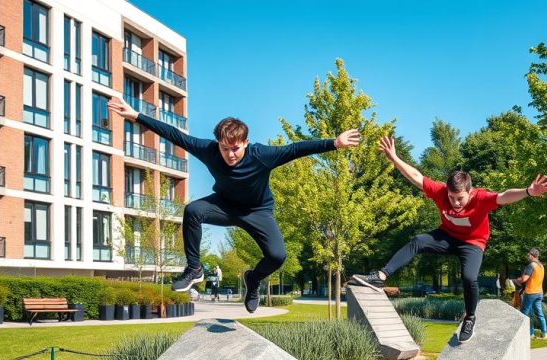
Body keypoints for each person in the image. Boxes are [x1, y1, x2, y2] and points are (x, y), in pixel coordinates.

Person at [106, 97, 361, 313]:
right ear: (218, 143)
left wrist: (334, 143)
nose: (230, 155)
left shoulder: (262, 155)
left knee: (277, 256)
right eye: (225, 148)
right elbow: (175, 136)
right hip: (224, 206)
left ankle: (253, 279)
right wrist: (136, 115)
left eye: (236, 149)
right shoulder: (208, 150)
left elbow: (294, 149)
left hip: (257, 212)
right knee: (193, 210)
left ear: (246, 143)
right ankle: (194, 269)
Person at [350, 136, 547, 343]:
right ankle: (380, 277)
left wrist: (528, 192)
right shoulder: (440, 192)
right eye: (451, 197)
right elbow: (416, 176)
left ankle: (470, 317)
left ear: (470, 192)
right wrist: (395, 158)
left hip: (473, 244)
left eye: (460, 198)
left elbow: (504, 196)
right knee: (418, 240)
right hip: (446, 237)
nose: (455, 203)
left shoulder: (481, 198)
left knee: (469, 277)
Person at [514, 248, 547, 339]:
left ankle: (529, 334)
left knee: (525, 314)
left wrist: (515, 280)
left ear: (532, 255)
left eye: (528, 255)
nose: (527, 256)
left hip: (530, 293)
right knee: (539, 313)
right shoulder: (541, 266)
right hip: (539, 292)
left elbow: (524, 279)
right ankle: (544, 334)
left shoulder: (531, 265)